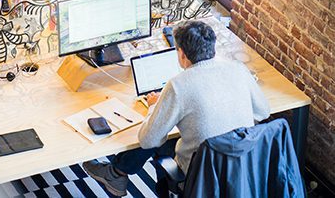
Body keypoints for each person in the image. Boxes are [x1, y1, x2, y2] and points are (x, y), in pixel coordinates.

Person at [83, 20, 271, 197]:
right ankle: (116, 173)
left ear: (181, 54)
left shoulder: (178, 85)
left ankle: (116, 173)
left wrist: (154, 106)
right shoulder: (238, 69)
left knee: (157, 137)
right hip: (244, 169)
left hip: (201, 177)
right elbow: (263, 112)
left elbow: (148, 140)